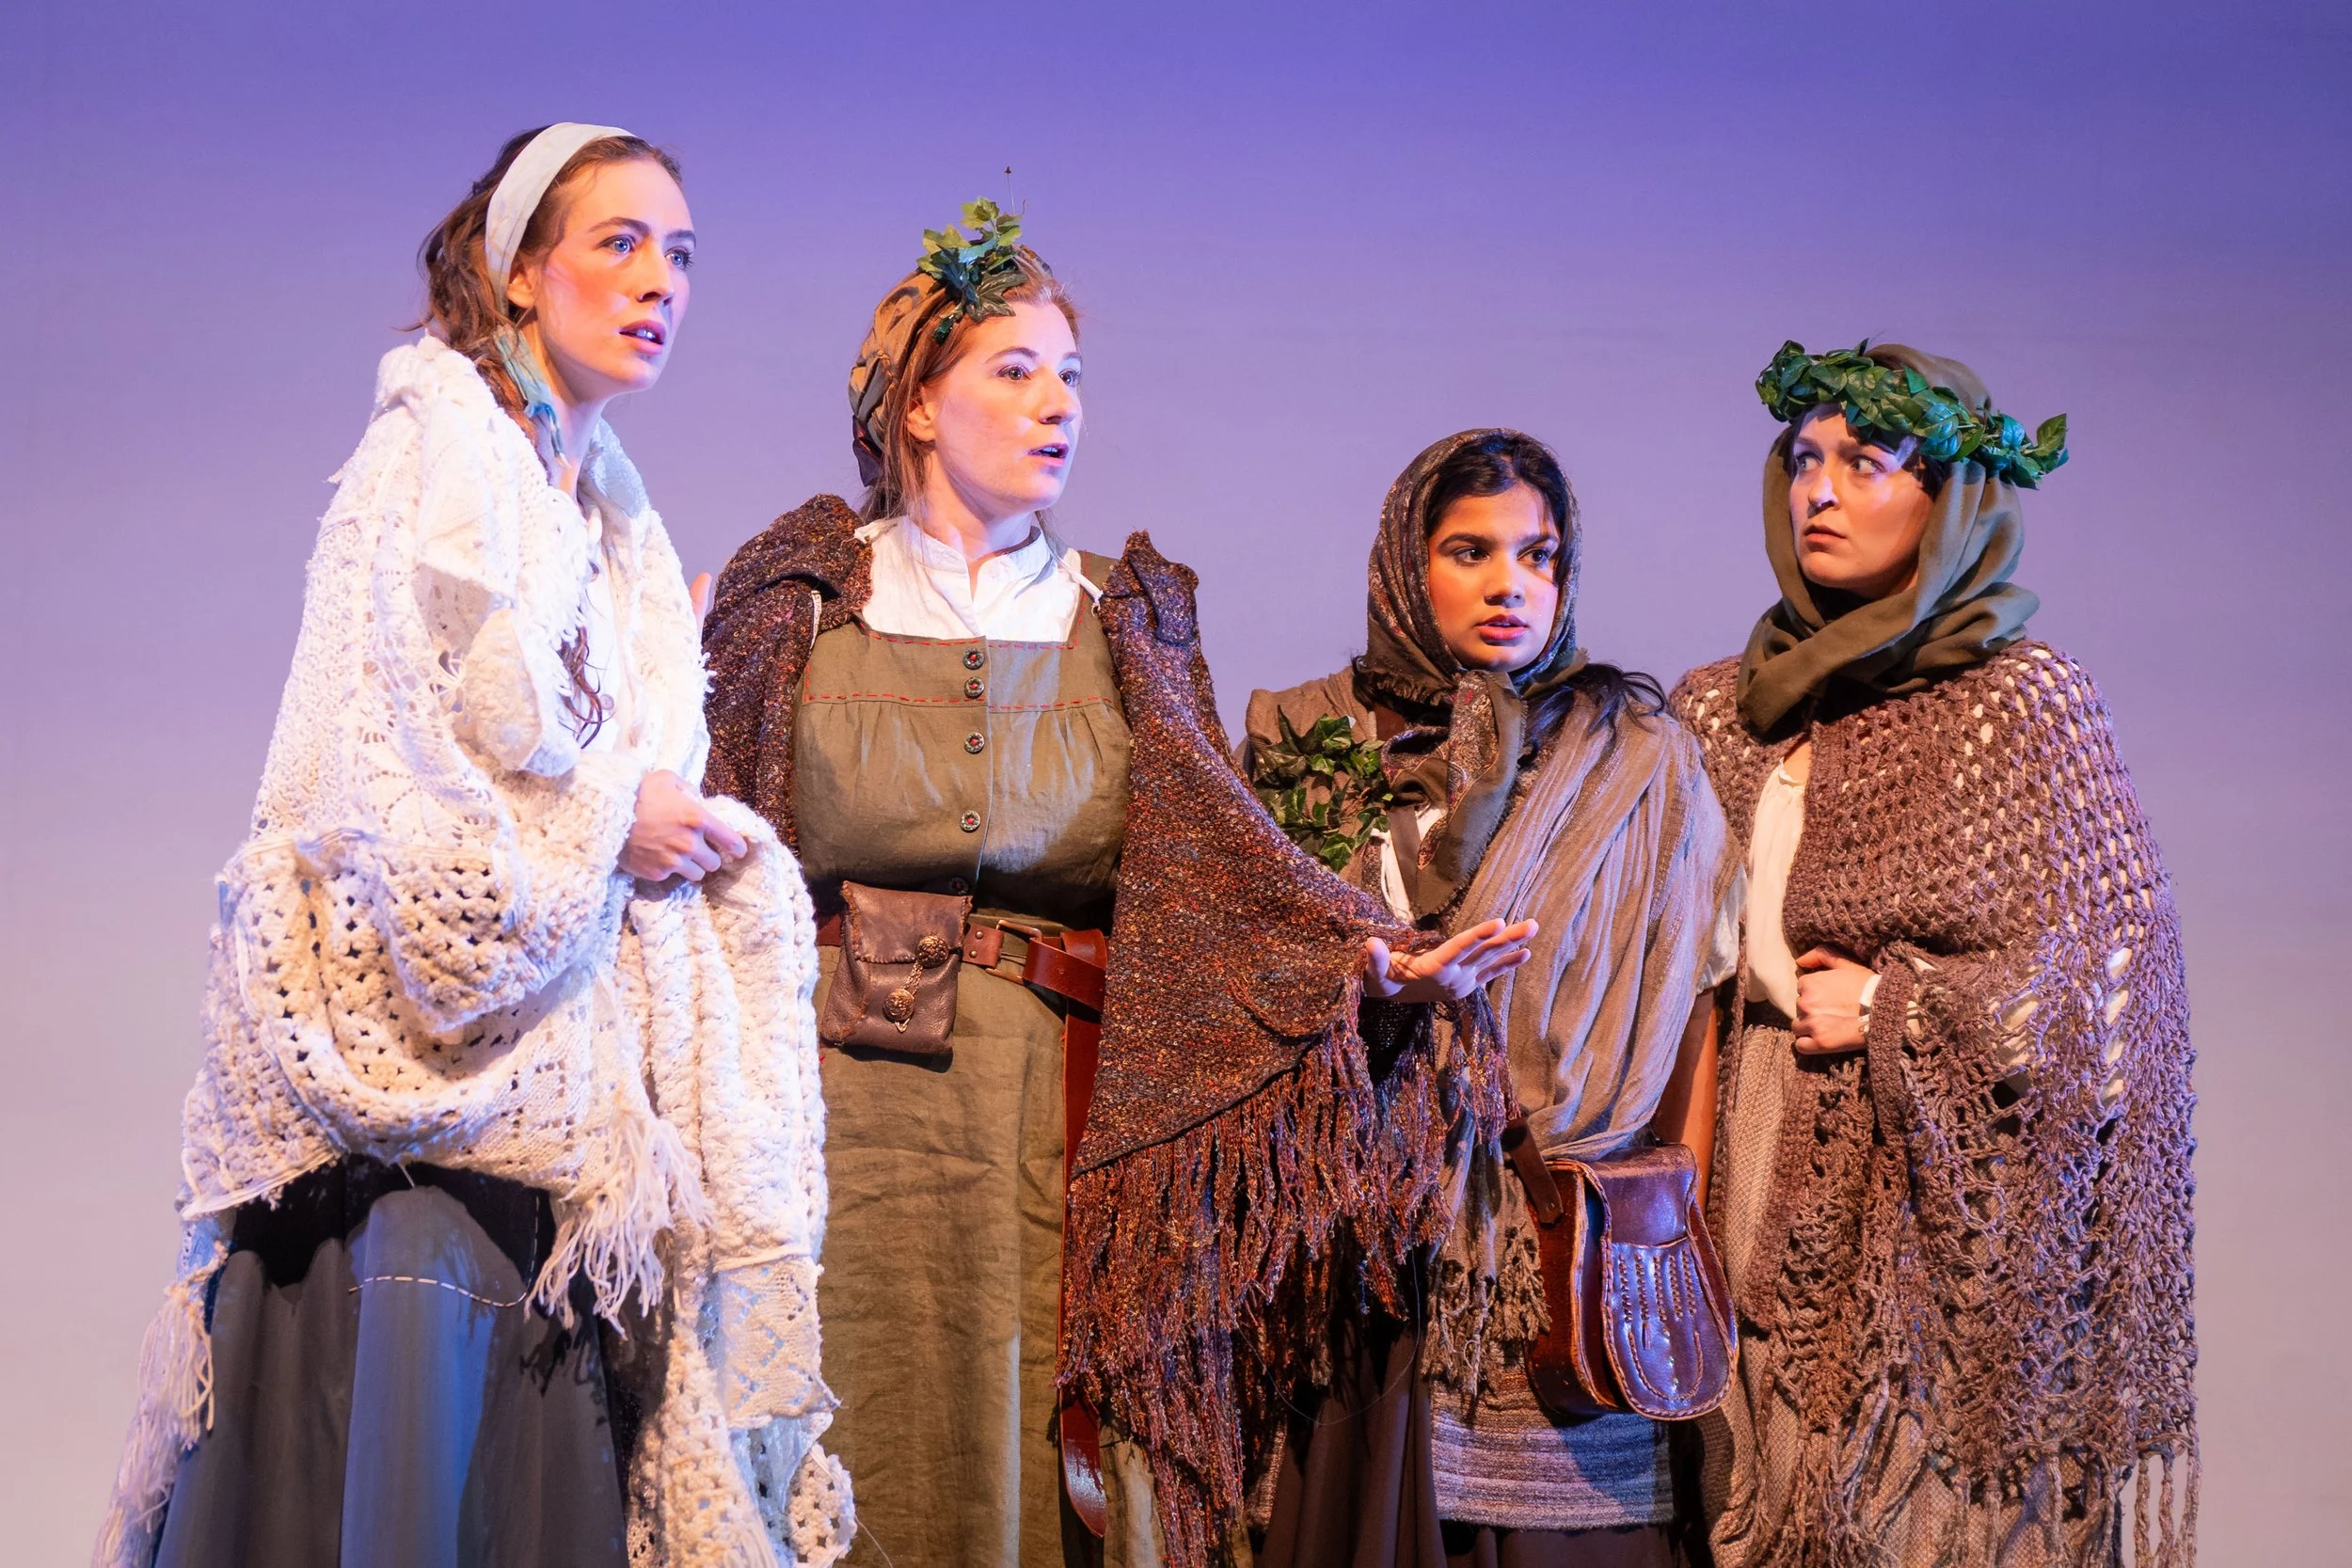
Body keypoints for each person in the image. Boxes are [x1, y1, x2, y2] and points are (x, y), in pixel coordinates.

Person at [700, 204, 1528, 1568]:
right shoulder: (797, 605)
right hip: (830, 1109)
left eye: (1070, 373)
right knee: (846, 1424)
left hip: (1055, 1107)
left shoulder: (1124, 614)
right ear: (914, 405)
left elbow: (1214, 857)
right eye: (1014, 370)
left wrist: (1360, 958)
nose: (1056, 404)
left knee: (1049, 1451)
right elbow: (729, 861)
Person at [95, 124, 850, 1568]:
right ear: (517, 273)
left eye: (680, 253)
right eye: (618, 242)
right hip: (411, 1163)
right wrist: (608, 822)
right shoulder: (430, 467)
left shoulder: (604, 503)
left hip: (551, 1132)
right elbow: (384, 803)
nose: (659, 282)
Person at [1671, 341, 2196, 1566]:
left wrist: (1904, 1006)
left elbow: (2113, 1007)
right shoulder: (1718, 708)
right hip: (1748, 1168)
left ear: (1952, 493)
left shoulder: (2024, 705)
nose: (1820, 489)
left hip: (1944, 1232)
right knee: (1749, 1503)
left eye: (1866, 460)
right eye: (1804, 459)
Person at [1240, 430, 1735, 1568]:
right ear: (1405, 565)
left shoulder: (1639, 757)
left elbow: (1692, 1003)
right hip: (1367, 1246)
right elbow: (1238, 972)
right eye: (1470, 550)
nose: (1510, 582)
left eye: (1537, 554)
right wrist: (1359, 981)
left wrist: (1667, 1213)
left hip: (1564, 1250)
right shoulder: (1303, 739)